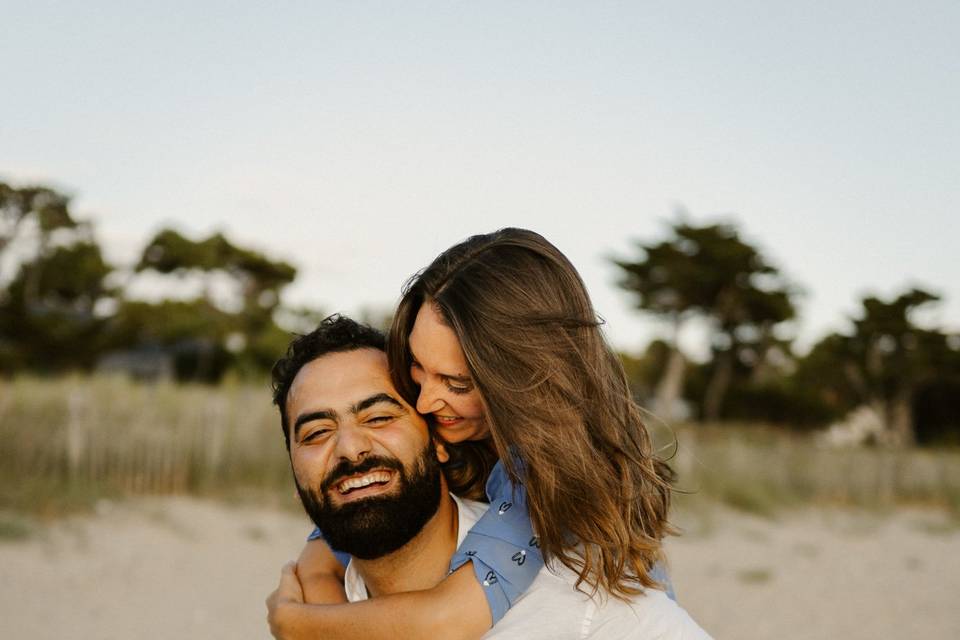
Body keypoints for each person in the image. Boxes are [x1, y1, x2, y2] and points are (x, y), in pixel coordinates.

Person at [269, 228, 679, 639]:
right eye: (417, 366)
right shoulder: (469, 440)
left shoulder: (543, 481)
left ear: (527, 384)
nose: (426, 402)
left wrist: (298, 623)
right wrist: (320, 574)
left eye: (457, 383)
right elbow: (363, 501)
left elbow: (446, 622)